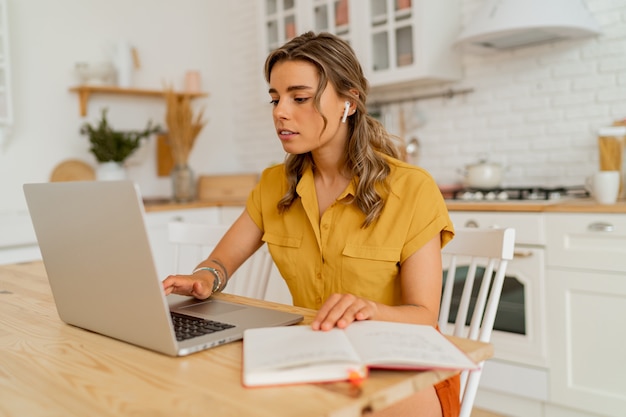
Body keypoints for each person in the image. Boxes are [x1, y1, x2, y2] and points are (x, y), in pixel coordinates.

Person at [162, 31, 457, 417]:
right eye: (275, 98)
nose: (280, 111)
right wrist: (204, 278)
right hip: (315, 356)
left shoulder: (411, 188)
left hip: (401, 365)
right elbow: (220, 263)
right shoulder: (273, 185)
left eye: (299, 98)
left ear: (348, 102)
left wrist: (367, 308)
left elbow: (423, 315)